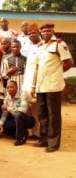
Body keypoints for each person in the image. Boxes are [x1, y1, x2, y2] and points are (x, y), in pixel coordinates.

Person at [31, 23, 74, 152]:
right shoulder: (40, 47)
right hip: (41, 86)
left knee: (53, 115)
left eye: (48, 31)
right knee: (42, 115)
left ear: (53, 31)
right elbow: (37, 68)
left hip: (54, 86)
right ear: (40, 33)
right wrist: (33, 85)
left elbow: (69, 62)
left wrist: (58, 73)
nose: (46, 33)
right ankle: (43, 139)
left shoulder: (59, 44)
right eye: (43, 31)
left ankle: (53, 143)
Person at [0, 80, 35, 146]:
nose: (9, 89)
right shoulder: (7, 98)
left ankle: (20, 138)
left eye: (12, 87)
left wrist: (8, 108)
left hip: (28, 120)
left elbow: (22, 110)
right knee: (3, 127)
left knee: (18, 114)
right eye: (8, 87)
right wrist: (0, 124)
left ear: (17, 87)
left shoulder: (23, 94)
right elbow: (4, 114)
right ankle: (23, 133)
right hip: (16, 120)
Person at [22, 23, 42, 138]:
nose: (31, 35)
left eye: (34, 32)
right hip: (27, 83)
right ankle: (33, 132)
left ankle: (40, 134)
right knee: (30, 110)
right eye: (29, 33)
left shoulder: (42, 46)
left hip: (37, 84)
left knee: (39, 110)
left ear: (38, 33)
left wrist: (34, 85)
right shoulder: (31, 47)